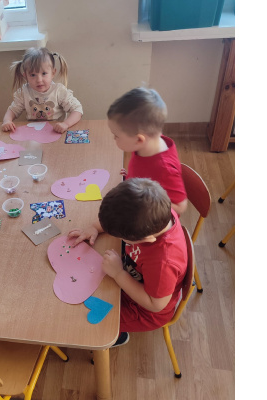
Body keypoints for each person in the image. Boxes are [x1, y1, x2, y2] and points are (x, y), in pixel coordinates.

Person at [68, 178, 187, 347]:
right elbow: (121, 215)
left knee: (80, 319)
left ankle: (118, 336)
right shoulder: (156, 210)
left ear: (147, 239)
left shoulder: (164, 263)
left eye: (121, 237)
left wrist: (119, 274)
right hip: (131, 276)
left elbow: (155, 305)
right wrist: (94, 227)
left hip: (144, 311)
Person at [107, 87, 188, 215]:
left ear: (139, 140)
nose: (114, 138)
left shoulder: (164, 168)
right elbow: (147, 171)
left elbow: (180, 207)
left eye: (116, 135)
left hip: (149, 220)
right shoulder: (145, 145)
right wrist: (132, 177)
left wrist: (144, 199)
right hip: (136, 195)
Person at [1, 47, 83, 134]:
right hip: (33, 134)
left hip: (56, 132)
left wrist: (66, 124)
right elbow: (13, 110)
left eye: (44, 73)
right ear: (26, 76)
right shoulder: (23, 92)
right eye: (33, 75)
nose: (39, 80)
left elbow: (77, 109)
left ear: (53, 73)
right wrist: (7, 121)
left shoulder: (59, 91)